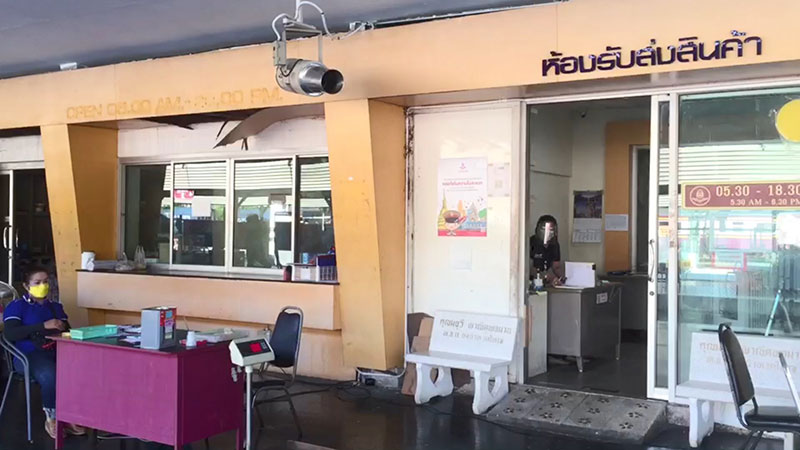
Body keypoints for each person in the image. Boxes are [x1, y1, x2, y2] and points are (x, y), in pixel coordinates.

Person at [2, 266, 86, 439]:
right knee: (50, 374)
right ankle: (52, 418)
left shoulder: (55, 307)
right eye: (37, 282)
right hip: (28, 355)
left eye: (46, 282)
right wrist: (43, 326)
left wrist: (63, 327)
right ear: (26, 286)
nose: (43, 286)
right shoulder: (17, 307)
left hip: (56, 351)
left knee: (81, 370)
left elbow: (68, 332)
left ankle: (69, 416)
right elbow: (11, 334)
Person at [530, 215, 565, 286]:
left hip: (544, 282)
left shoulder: (554, 245)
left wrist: (563, 278)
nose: (548, 233)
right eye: (545, 229)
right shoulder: (531, 243)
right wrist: (546, 276)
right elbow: (529, 268)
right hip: (531, 282)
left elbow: (556, 267)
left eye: (551, 230)